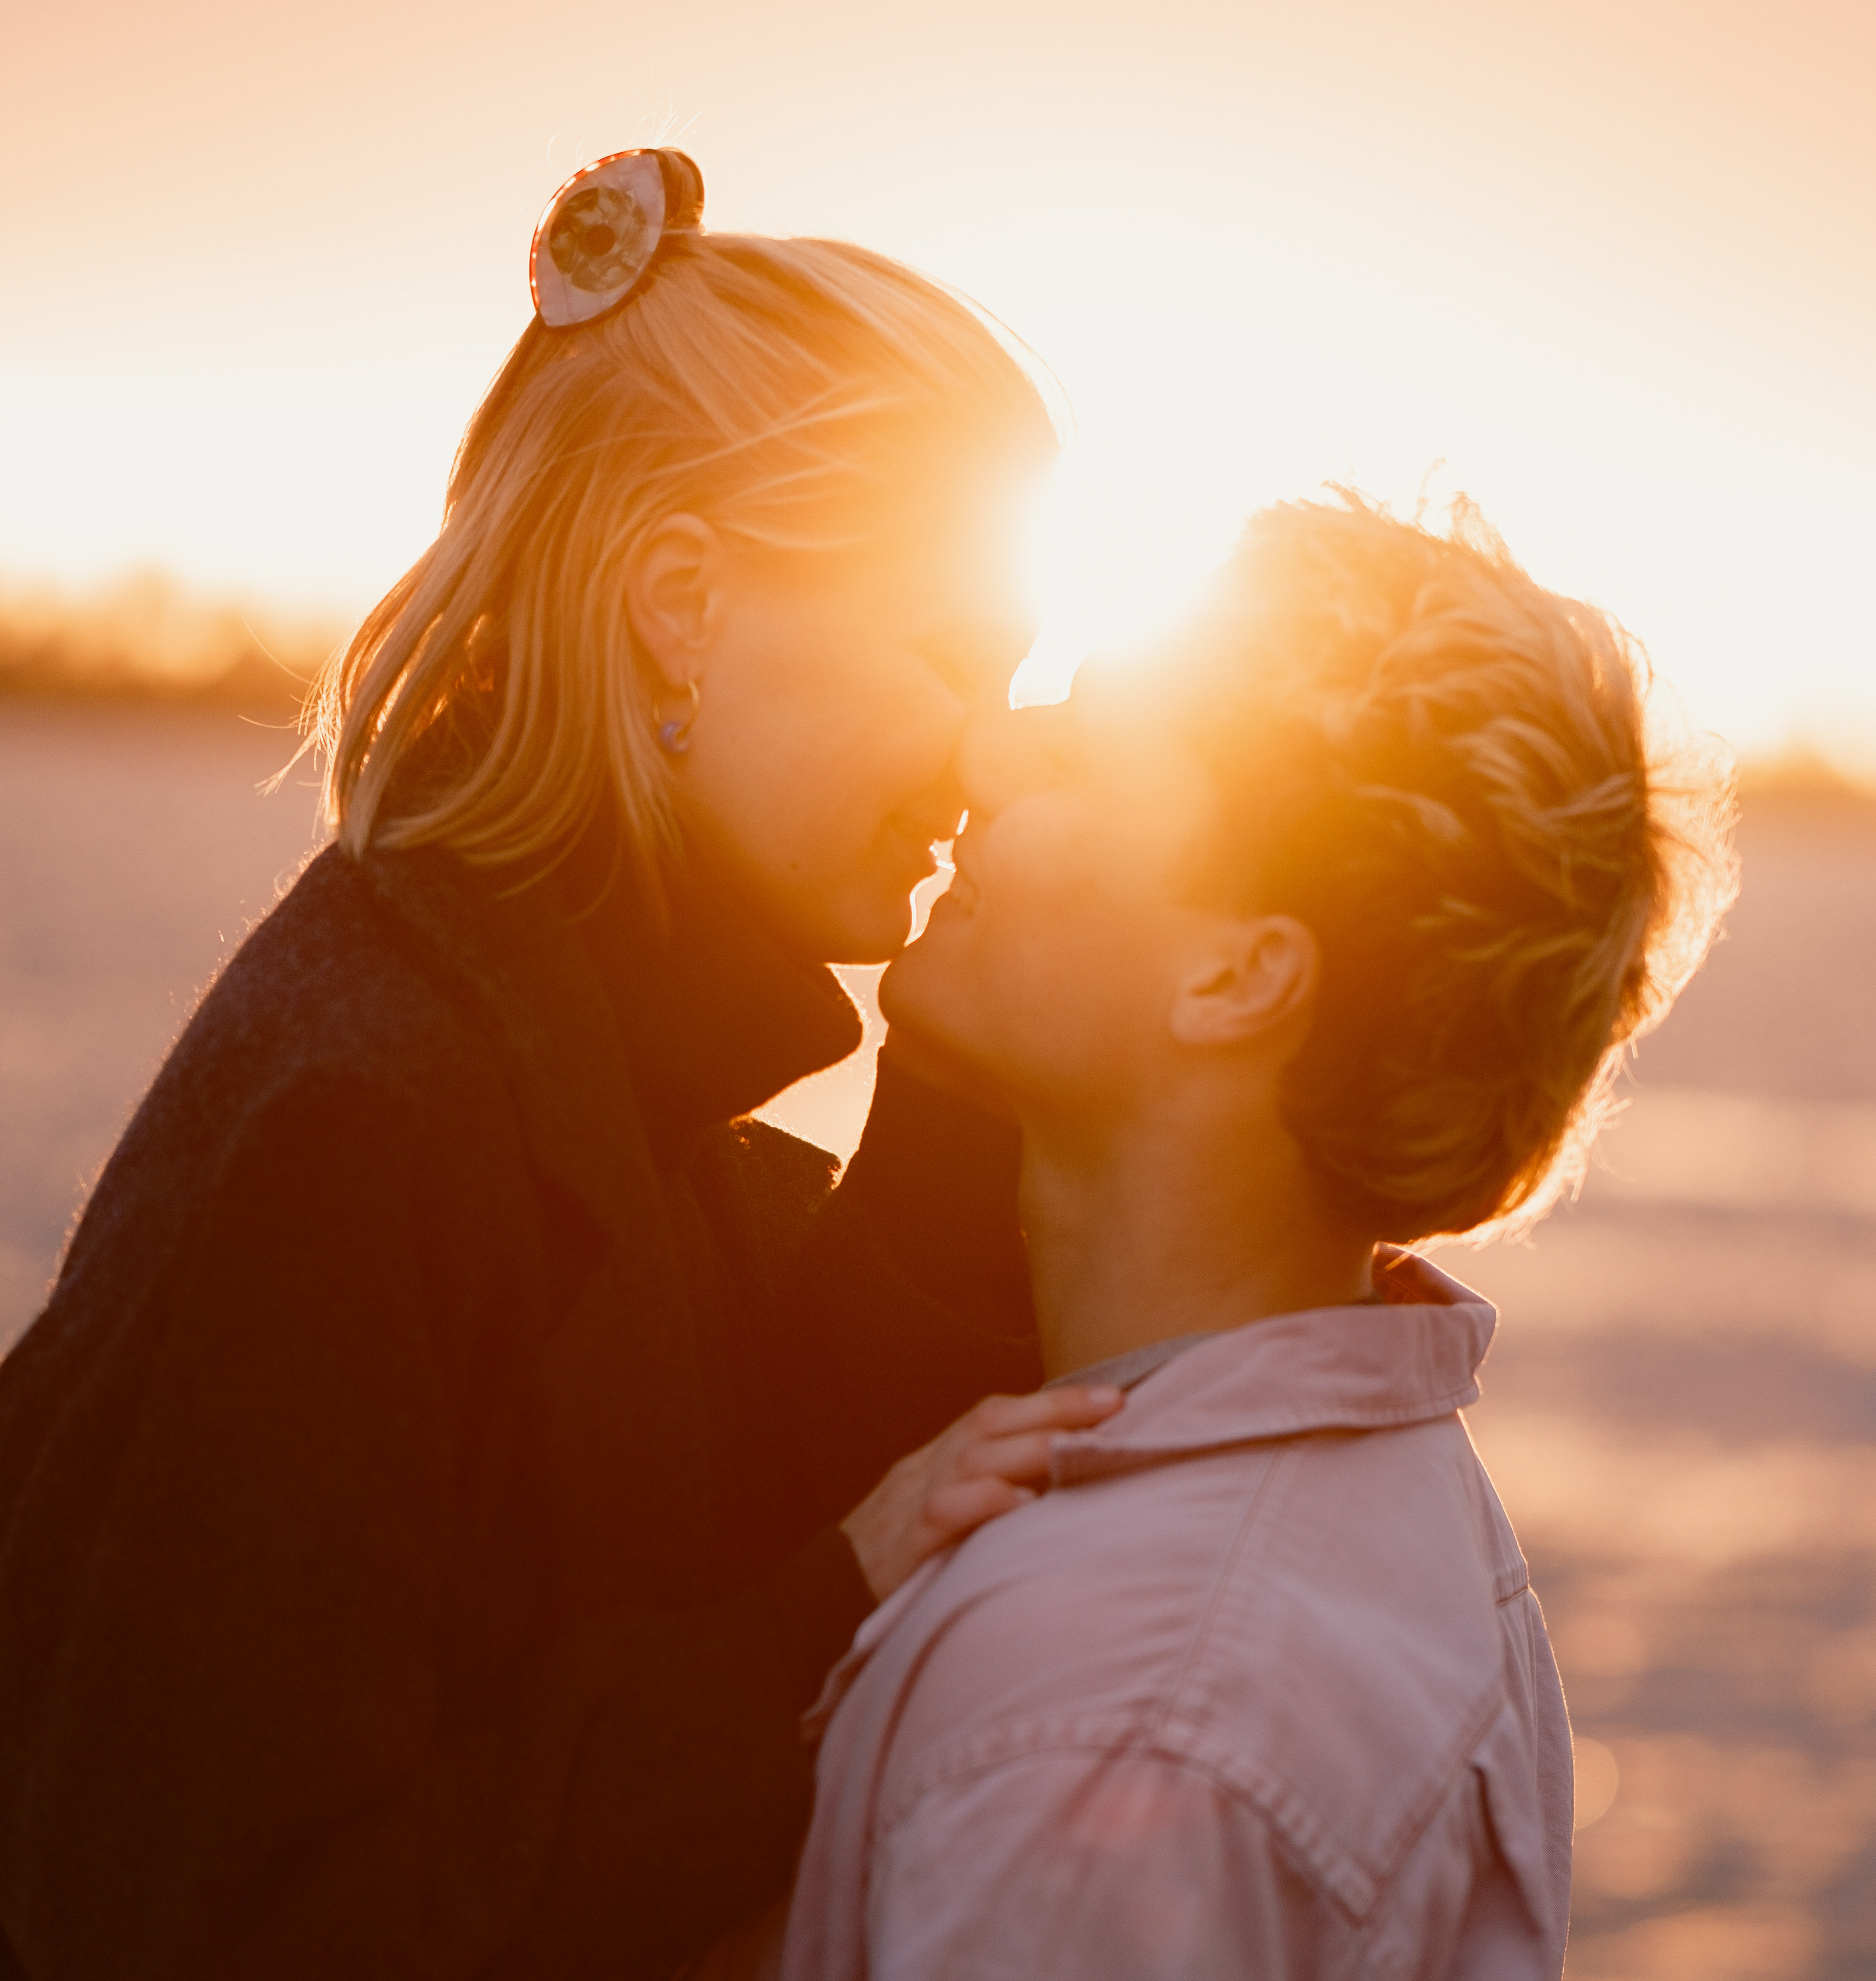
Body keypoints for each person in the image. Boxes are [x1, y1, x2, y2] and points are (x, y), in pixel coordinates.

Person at [0, 150, 1121, 1980]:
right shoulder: (366, 1123)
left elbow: (758, 1453)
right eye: (949, 654)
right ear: (681, 602)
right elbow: (219, 1922)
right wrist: (822, 1615)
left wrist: (1010, 1075)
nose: (990, 755)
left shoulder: (583, 1064)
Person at [779, 494, 1737, 1978]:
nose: (986, 753)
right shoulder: (1412, 1512)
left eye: (1084, 756)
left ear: (1236, 977)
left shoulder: (1110, 1724)